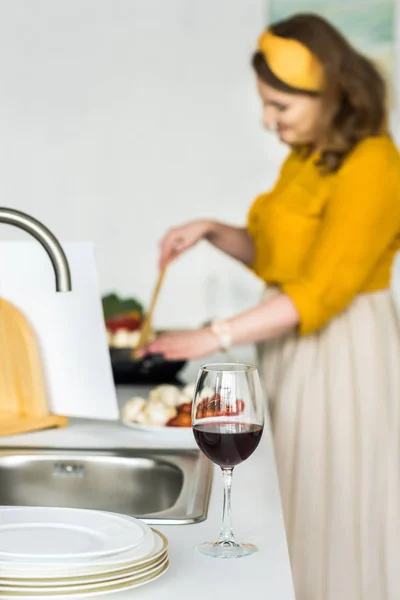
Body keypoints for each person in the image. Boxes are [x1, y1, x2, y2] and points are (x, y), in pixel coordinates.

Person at [142, 13, 400, 600]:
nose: (267, 120)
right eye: (265, 104)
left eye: (280, 106)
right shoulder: (310, 156)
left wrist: (214, 335)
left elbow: (320, 293)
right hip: (286, 342)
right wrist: (211, 229)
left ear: (330, 92)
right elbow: (275, 260)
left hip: (344, 352)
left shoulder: (376, 165)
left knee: (330, 503)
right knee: (292, 499)